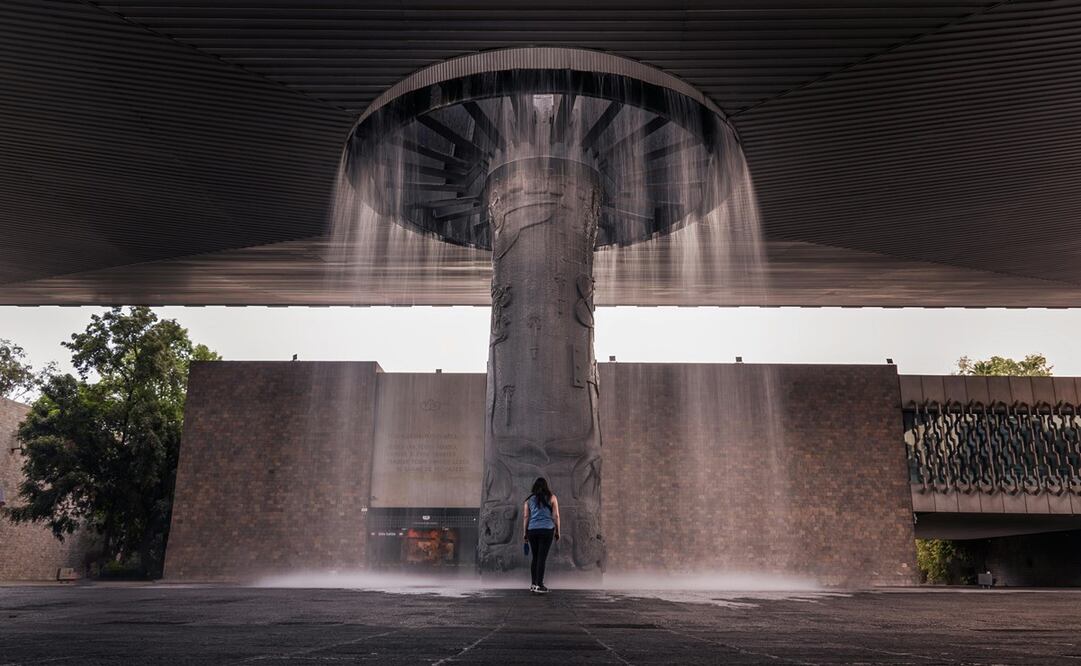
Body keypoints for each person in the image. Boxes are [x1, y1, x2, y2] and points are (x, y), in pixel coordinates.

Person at [522, 477, 560, 594]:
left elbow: (526, 517)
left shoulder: (528, 500)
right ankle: (540, 585)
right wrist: (558, 531)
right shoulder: (552, 498)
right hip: (547, 530)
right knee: (541, 558)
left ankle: (533, 584)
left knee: (535, 557)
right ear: (546, 486)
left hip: (532, 530)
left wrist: (525, 533)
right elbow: (556, 516)